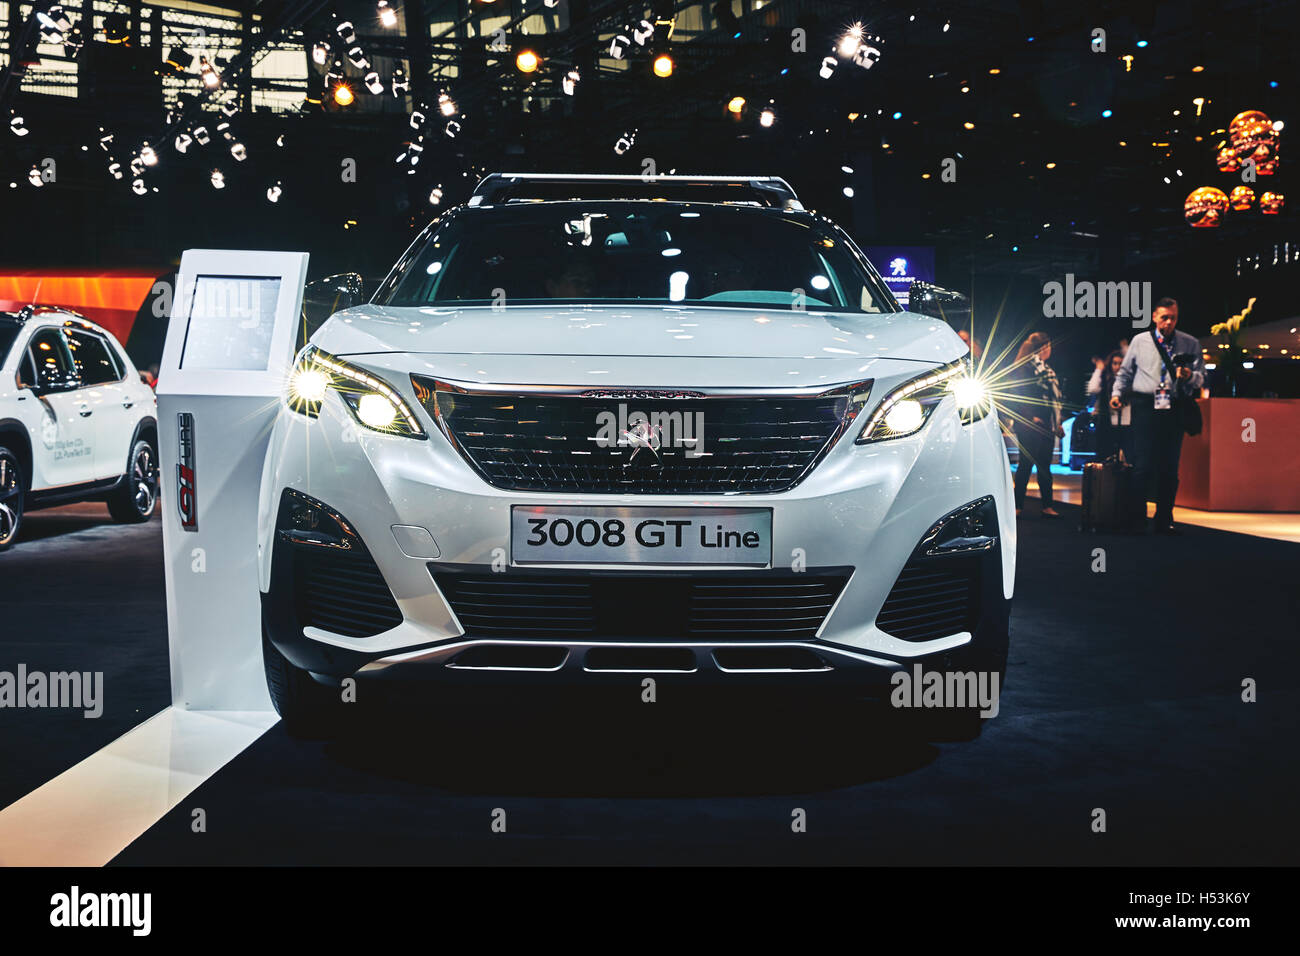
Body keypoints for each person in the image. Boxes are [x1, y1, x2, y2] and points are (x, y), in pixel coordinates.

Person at [1110, 297, 1206, 534]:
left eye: (1173, 317)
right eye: (1164, 317)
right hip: (1145, 406)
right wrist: (1116, 393)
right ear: (1154, 317)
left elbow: (1202, 376)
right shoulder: (1140, 341)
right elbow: (1125, 372)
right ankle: (1137, 519)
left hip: (1174, 407)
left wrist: (1189, 377)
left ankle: (1164, 519)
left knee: (1169, 467)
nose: (1169, 322)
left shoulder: (1190, 343)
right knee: (1142, 465)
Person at [1006, 331, 1064, 518]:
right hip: (1028, 424)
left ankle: (1047, 505)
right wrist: (1031, 417)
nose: (1049, 349)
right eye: (1047, 345)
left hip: (1046, 424)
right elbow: (1019, 395)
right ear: (1041, 347)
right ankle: (1017, 506)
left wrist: (1057, 422)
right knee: (1026, 464)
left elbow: (1053, 400)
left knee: (1045, 465)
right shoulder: (1025, 368)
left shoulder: (1046, 370)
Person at [1087, 350, 1130, 460]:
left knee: (1127, 457)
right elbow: (1093, 388)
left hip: (1126, 424)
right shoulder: (1106, 380)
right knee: (1106, 457)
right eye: (1114, 363)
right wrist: (1099, 369)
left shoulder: (1129, 381)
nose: (1117, 367)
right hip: (1107, 424)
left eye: (1120, 363)